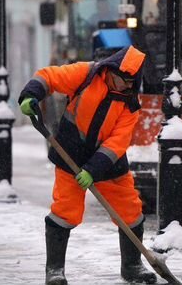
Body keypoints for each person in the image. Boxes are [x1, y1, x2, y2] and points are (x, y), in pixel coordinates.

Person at [18, 45, 156, 285]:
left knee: (130, 211)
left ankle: (132, 266)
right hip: (70, 153)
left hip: (108, 165)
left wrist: (93, 170)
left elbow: (116, 143)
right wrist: (32, 94)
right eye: (121, 80)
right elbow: (49, 76)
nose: (124, 86)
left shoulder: (130, 104)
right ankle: (55, 271)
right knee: (65, 211)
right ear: (111, 70)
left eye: (130, 82)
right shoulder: (87, 74)